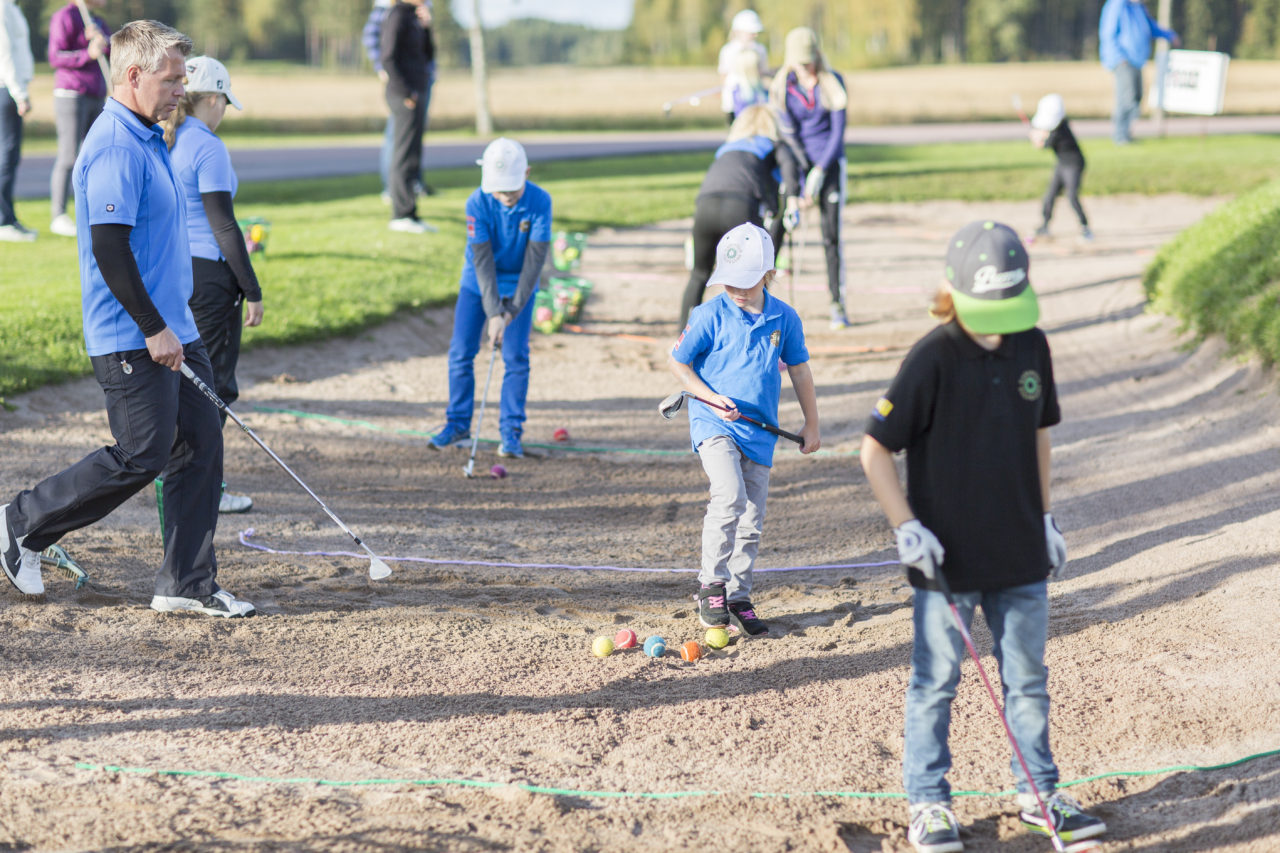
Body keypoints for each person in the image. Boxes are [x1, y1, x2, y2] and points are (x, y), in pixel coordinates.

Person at [859, 220, 1105, 852]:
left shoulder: (1033, 346)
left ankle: (1039, 794)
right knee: (935, 682)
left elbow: (1039, 434)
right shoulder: (932, 358)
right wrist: (906, 528)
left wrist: (1045, 518)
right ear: (956, 292)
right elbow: (874, 450)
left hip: (1020, 552)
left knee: (1027, 680)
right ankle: (929, 803)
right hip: (946, 562)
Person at [0, 20, 254, 619]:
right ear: (133, 75)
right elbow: (109, 248)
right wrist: (152, 327)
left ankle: (185, 583)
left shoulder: (148, 135)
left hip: (176, 327)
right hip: (132, 334)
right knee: (143, 453)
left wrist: (173, 325)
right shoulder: (115, 144)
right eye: (172, 80)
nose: (181, 91)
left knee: (201, 443)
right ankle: (20, 521)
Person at [669, 222, 819, 638]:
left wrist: (812, 422)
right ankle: (711, 586)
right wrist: (710, 397)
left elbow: (800, 370)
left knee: (752, 518)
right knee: (730, 495)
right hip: (714, 422)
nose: (736, 289)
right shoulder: (708, 315)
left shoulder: (785, 317)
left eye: (747, 281)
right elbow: (678, 362)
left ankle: (739, 595)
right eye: (730, 280)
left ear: (769, 274)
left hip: (761, 430)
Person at [163, 56, 262, 515]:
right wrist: (252, 289)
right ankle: (204, 489)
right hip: (210, 279)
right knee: (213, 386)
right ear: (214, 99)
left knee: (188, 382)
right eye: (224, 102)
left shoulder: (167, 136)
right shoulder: (208, 146)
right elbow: (224, 226)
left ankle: (178, 478)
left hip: (175, 272)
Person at [429, 137, 550, 459]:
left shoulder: (540, 201)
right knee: (461, 352)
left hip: (520, 283)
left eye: (511, 189)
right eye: (499, 190)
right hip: (477, 283)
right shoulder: (476, 203)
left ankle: (511, 433)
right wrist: (494, 312)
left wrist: (511, 310)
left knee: (516, 357)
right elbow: (482, 262)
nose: (505, 196)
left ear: (527, 173)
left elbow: (534, 263)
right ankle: (457, 424)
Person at [680, 105, 799, 326]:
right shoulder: (771, 145)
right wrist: (792, 200)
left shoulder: (726, 149)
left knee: (698, 274)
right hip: (740, 206)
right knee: (753, 276)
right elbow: (789, 166)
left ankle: (683, 336)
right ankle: (750, 332)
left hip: (705, 206)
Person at [770, 27, 850, 329]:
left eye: (808, 61)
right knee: (779, 227)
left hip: (829, 166)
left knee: (831, 237)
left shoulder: (833, 82)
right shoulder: (782, 87)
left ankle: (837, 303)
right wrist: (800, 184)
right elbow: (788, 138)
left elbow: (838, 133)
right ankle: (759, 300)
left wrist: (820, 170)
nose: (805, 67)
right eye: (799, 62)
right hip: (796, 165)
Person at [47, 0, 110, 238]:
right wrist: (87, 54)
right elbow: (55, 56)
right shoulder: (65, 17)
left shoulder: (97, 21)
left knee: (96, 155)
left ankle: (96, 211)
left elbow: (111, 54)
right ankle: (59, 215)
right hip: (71, 93)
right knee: (69, 155)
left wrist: (103, 42)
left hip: (97, 94)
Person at [380, 0, 435, 233]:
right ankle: (400, 215)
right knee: (403, 155)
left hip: (417, 91)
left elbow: (428, 56)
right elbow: (388, 57)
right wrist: (405, 92)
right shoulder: (397, 15)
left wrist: (427, 28)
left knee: (413, 155)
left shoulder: (415, 17)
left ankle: (411, 213)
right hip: (404, 96)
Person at [1099, 0, 1179, 146]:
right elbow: (1107, 33)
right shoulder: (1117, 4)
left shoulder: (1138, 7)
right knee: (1126, 98)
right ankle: (1120, 136)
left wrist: (1169, 35)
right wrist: (1118, 57)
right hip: (1123, 60)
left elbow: (1150, 28)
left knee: (1137, 97)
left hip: (1137, 60)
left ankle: (1126, 134)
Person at [1028, 93, 1091, 244]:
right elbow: (1045, 132)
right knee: (1050, 195)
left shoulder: (1059, 131)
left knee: (1072, 196)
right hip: (1062, 164)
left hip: (1074, 165)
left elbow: (1044, 144)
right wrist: (1038, 134)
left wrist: (1036, 138)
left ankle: (1085, 228)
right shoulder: (1061, 123)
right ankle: (1045, 225)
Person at [0, 0, 35, 241]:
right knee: (6, 155)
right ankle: (3, 221)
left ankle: (9, 217)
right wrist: (19, 94)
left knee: (11, 157)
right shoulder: (3, 7)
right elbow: (5, 53)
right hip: (7, 89)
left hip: (11, 89)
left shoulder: (12, 6)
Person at [717, 9, 769, 126]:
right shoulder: (728, 50)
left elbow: (763, 73)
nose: (754, 35)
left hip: (756, 99)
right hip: (734, 102)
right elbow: (723, 75)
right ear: (739, 31)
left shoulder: (760, 50)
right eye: (751, 32)